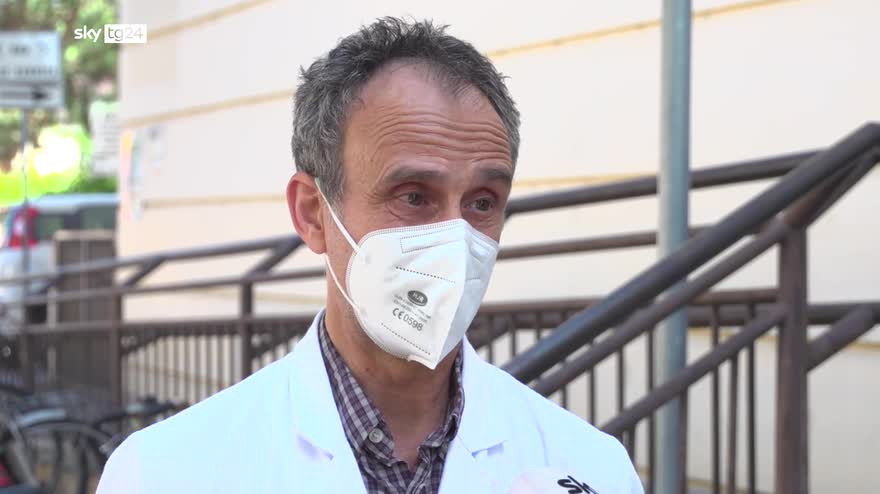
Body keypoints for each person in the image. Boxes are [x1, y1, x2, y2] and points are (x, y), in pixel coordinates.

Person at [96, 17, 643, 494]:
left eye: (482, 202)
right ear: (313, 213)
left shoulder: (590, 468)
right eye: (413, 197)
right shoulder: (166, 473)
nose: (456, 239)